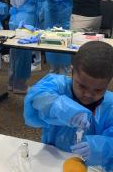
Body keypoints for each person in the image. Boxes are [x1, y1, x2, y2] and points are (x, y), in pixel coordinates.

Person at [24, 41, 113, 171]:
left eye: (98, 90)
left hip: (92, 165)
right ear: (71, 72)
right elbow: (37, 97)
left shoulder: (110, 107)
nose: (88, 94)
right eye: (82, 86)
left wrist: (98, 147)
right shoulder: (57, 84)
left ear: (108, 83)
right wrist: (63, 109)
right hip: (51, 155)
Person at [8, 0, 59, 94]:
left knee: (14, 53)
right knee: (24, 54)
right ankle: (20, 85)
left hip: (14, 18)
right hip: (26, 19)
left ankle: (12, 83)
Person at [43, 0, 75, 75]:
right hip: (51, 13)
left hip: (64, 13)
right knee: (51, 42)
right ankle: (53, 70)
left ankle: (64, 72)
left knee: (64, 43)